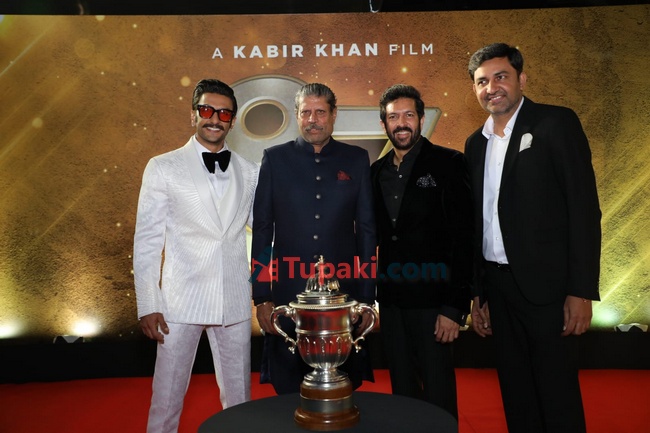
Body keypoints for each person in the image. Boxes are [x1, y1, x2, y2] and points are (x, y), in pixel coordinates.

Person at [464, 43, 601, 433]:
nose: (492, 88)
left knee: (557, 395)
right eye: (482, 81)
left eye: (501, 77)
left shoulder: (555, 124)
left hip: (550, 291)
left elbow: (584, 210)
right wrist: (478, 293)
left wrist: (581, 290)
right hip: (498, 290)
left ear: (521, 79)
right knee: (516, 393)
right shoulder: (475, 144)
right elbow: (477, 223)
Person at [133, 79, 259, 433]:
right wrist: (148, 303)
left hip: (233, 300)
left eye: (224, 113)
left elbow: (265, 231)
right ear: (193, 115)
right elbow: (147, 240)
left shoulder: (250, 171)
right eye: (206, 110)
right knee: (167, 398)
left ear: (233, 121)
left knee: (240, 399)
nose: (214, 119)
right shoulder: (162, 166)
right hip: (179, 303)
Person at [251, 82, 376, 395]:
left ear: (334, 115)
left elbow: (367, 231)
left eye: (320, 112)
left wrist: (367, 295)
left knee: (343, 382)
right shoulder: (275, 159)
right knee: (288, 384)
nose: (313, 120)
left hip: (344, 292)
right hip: (288, 291)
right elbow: (263, 230)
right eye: (306, 112)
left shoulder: (356, 159)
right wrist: (261, 296)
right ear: (296, 115)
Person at [370, 84, 473, 419]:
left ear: (421, 119)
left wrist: (454, 307)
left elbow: (464, 238)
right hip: (392, 302)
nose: (401, 123)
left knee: (438, 391)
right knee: (402, 392)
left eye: (408, 115)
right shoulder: (375, 172)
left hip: (435, 303)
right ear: (383, 124)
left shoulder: (449, 163)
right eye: (393, 117)